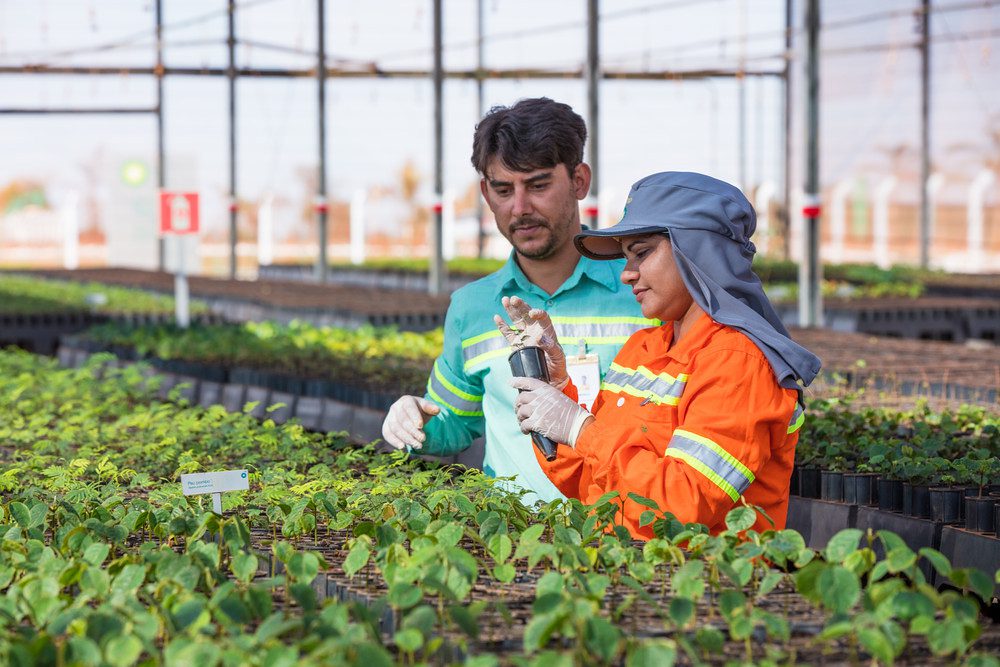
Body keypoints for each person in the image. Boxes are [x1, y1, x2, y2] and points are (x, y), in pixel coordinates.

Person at [499, 171, 822, 536]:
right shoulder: (643, 348)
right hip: (628, 578)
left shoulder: (739, 361)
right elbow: (590, 485)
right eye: (625, 257)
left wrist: (579, 427)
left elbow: (683, 506)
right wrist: (555, 392)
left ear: (696, 251)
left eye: (641, 253)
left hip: (706, 586)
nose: (627, 274)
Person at [380, 98, 655, 503]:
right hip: (514, 540)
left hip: (633, 533)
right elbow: (454, 423)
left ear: (579, 180)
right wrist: (414, 422)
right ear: (485, 193)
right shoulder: (472, 309)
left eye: (538, 185)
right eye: (503, 189)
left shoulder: (643, 290)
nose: (520, 208)